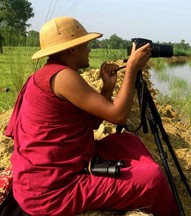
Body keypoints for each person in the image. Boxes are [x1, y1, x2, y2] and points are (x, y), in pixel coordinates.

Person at [5, 16, 179, 216]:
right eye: (86, 44)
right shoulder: (63, 77)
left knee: (127, 141)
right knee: (153, 179)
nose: (89, 49)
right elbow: (119, 116)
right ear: (72, 49)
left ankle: (135, 177)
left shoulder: (51, 74)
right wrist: (132, 69)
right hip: (54, 190)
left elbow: (91, 124)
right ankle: (152, 191)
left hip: (57, 166)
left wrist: (107, 87)